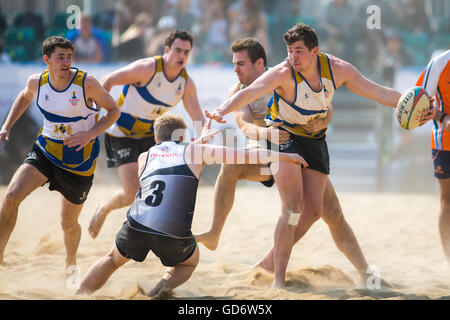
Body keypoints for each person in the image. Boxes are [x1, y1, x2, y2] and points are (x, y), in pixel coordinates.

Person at [205, 23, 435, 288]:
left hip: (314, 140)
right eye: (290, 51)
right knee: (291, 208)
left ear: (315, 51)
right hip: (284, 137)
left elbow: (381, 93)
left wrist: (420, 105)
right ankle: (277, 281)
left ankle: (360, 272)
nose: (293, 57)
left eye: (299, 51)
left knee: (319, 212)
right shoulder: (283, 73)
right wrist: (220, 110)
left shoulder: (338, 70)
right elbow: (248, 93)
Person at [76, 114, 305, 297]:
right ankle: (155, 294)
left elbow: (172, 158)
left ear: (156, 139)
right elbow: (242, 156)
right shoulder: (195, 151)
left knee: (111, 259)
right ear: (184, 135)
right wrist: (288, 157)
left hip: (136, 224)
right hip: (172, 233)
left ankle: (77, 295)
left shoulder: (145, 156)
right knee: (189, 262)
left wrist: (197, 144)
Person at [0, 36, 120, 272]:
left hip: (79, 161)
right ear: (47, 60)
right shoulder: (37, 82)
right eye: (60, 57)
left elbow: (114, 111)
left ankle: (71, 262)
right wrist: (6, 126)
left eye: (69, 57)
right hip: (46, 150)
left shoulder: (87, 83)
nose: (66, 62)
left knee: (68, 224)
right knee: (11, 196)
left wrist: (91, 133)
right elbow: (24, 97)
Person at [88, 29, 205, 239]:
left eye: (186, 52)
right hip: (121, 133)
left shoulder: (186, 83)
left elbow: (197, 117)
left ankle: (153, 232)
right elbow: (108, 80)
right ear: (166, 49)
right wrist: (96, 114)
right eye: (178, 50)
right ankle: (104, 209)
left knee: (157, 189)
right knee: (133, 191)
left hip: (151, 137)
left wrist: (203, 141)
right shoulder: (148, 68)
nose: (182, 56)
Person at [416, 50, 450, 262]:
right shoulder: (440, 63)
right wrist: (439, 115)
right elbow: (419, 101)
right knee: (447, 202)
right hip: (443, 143)